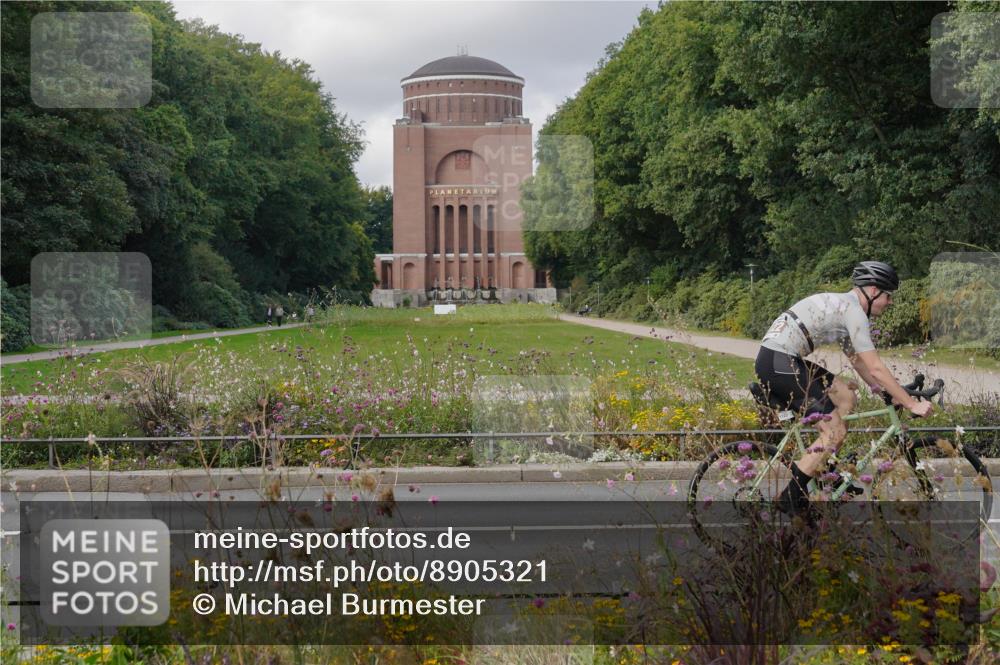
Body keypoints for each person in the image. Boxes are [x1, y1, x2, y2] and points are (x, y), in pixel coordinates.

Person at [754, 261, 933, 515]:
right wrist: (910, 402)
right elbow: (876, 368)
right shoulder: (854, 313)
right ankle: (790, 498)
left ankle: (827, 473)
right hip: (778, 362)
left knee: (846, 396)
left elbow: (857, 360)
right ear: (873, 291)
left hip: (782, 359)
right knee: (834, 432)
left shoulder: (844, 307)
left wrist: (884, 392)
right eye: (888, 295)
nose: (890, 302)